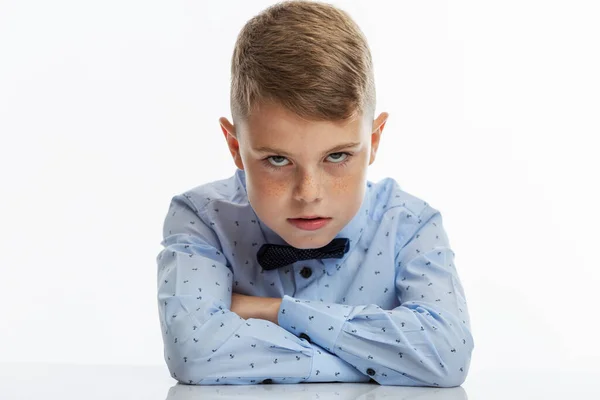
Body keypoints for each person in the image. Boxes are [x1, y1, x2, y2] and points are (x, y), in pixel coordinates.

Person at [156, 0, 474, 386]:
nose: (309, 193)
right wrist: (378, 365)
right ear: (235, 146)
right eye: (277, 159)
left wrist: (274, 311)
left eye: (337, 156)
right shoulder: (202, 218)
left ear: (373, 141)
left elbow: (446, 355)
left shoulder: (410, 224)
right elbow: (193, 353)